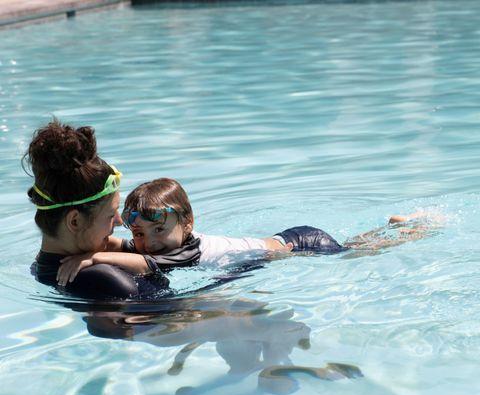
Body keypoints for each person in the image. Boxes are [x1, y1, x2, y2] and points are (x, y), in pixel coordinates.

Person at [56, 177, 438, 286]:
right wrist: (103, 240)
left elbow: (143, 263)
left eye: (159, 231)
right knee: (355, 245)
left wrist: (93, 255)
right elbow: (132, 248)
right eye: (140, 235)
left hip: (303, 243)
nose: (148, 241)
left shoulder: (185, 251)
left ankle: (414, 230)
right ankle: (390, 225)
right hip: (287, 235)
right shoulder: (163, 243)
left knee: (359, 253)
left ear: (188, 224)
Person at [24, 119, 171, 299]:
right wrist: (147, 268)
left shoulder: (39, 267)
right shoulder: (107, 280)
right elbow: (172, 318)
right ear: (75, 221)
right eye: (111, 214)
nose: (119, 221)